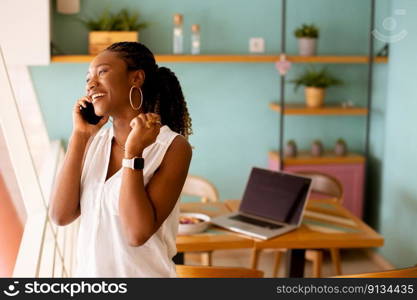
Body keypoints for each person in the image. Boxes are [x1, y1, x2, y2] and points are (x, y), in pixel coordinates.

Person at [49, 42, 193, 277]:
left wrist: (133, 154)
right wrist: (80, 135)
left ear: (136, 78)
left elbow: (136, 233)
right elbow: (60, 215)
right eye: (88, 78)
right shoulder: (96, 141)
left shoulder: (172, 147)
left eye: (102, 72)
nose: (91, 84)